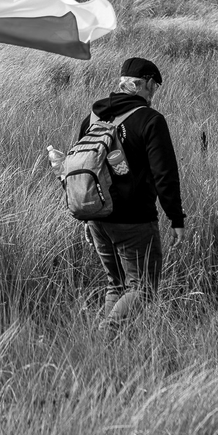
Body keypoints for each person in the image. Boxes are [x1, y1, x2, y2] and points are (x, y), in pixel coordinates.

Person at [76, 57, 186, 330]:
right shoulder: (151, 120)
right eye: (155, 87)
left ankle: (107, 352)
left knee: (118, 284)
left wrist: (87, 218)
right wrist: (177, 218)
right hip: (134, 219)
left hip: (96, 215)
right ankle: (108, 334)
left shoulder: (91, 118)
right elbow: (165, 175)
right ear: (146, 84)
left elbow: (78, 168)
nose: (154, 94)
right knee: (144, 288)